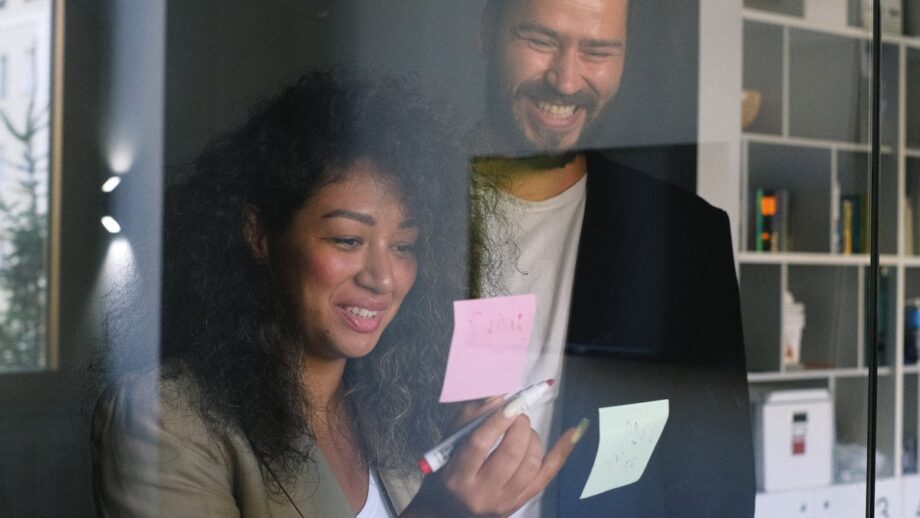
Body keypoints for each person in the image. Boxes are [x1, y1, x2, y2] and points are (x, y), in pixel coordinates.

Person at [91, 71, 582, 518]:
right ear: (258, 235)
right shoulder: (164, 420)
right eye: (348, 240)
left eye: (405, 246)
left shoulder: (394, 409)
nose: (383, 278)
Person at [468, 1, 756, 516]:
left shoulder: (687, 239)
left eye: (597, 51)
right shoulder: (394, 215)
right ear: (488, 32)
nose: (566, 80)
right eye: (541, 40)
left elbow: (716, 484)